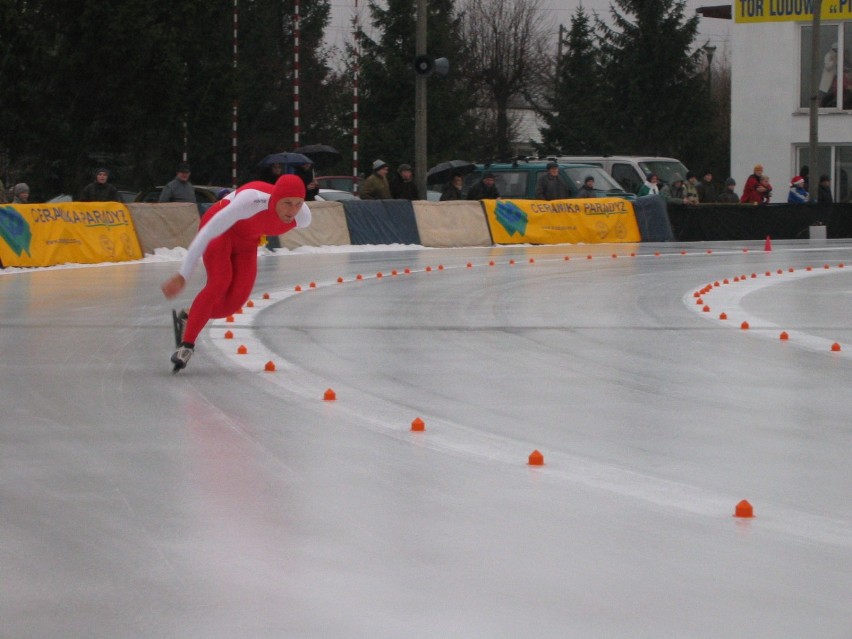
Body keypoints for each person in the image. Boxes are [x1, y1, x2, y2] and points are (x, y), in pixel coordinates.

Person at [160, 174, 312, 371]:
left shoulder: (303, 217)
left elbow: (270, 222)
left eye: (298, 204)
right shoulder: (251, 200)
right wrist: (183, 274)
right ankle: (186, 346)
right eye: (287, 203)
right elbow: (207, 232)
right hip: (220, 232)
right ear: (275, 198)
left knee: (233, 303)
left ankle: (189, 316)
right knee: (219, 282)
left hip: (247, 243)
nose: (292, 210)